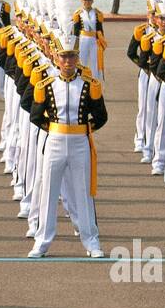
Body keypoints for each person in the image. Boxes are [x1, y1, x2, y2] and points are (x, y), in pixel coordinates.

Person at [27, 33, 108, 257]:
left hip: (80, 142)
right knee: (48, 192)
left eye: (72, 56)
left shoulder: (89, 84)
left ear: (77, 57)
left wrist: (83, 129)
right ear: (56, 57)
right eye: (63, 57)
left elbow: (101, 116)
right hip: (54, 140)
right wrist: (55, 129)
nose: (67, 61)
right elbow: (35, 115)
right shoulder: (46, 84)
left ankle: (91, 242)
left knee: (84, 193)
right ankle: (41, 242)